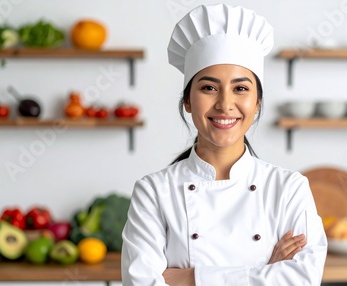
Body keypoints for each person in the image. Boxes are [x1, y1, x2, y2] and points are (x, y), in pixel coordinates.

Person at [121, 4, 327, 285]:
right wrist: (265, 272)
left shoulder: (289, 188)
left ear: (257, 103)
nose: (225, 104)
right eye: (209, 87)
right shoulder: (154, 192)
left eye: (240, 88)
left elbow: (302, 280)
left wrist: (189, 278)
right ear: (188, 101)